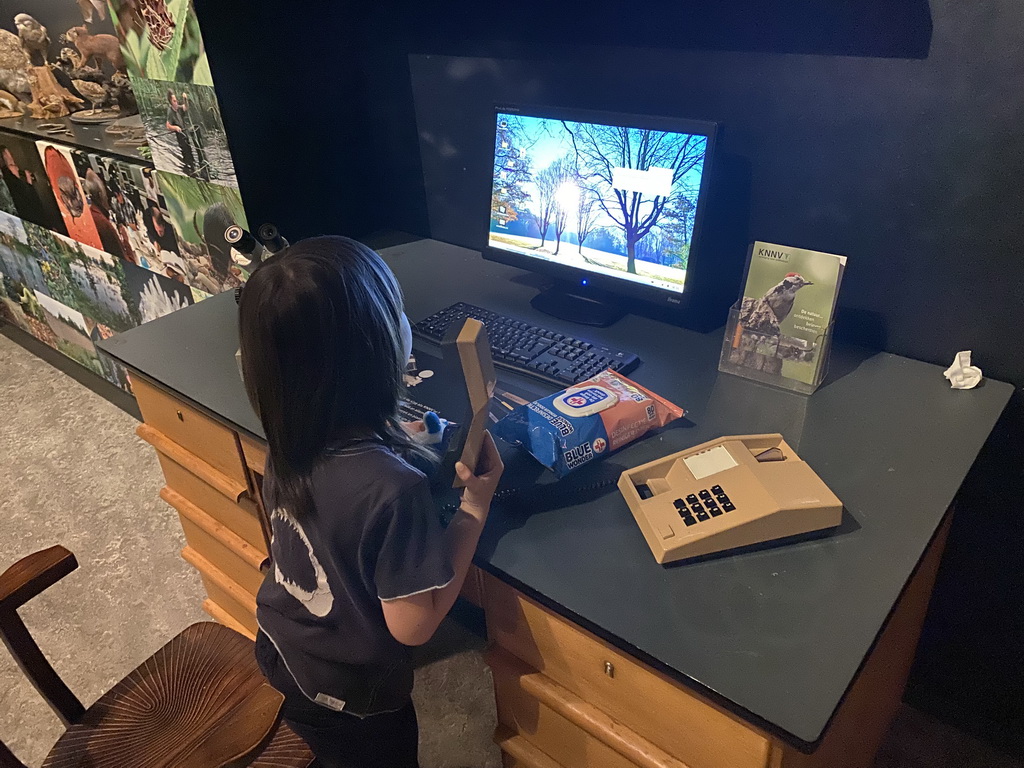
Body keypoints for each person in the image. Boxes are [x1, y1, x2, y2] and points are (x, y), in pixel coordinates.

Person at [238, 236, 503, 768]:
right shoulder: (393, 491)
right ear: (377, 351)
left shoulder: (289, 439)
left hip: (282, 646)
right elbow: (414, 626)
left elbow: (340, 507)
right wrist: (475, 507)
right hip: (351, 699)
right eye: (397, 313)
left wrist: (396, 442)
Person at [165, 90, 197, 175]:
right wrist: (175, 127)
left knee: (189, 148)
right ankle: (188, 167)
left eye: (176, 100)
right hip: (180, 134)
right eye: (174, 101)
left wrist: (185, 99)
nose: (176, 102)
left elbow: (185, 107)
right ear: (171, 102)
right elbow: (168, 126)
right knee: (185, 150)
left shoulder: (178, 108)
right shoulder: (170, 112)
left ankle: (193, 164)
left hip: (184, 132)